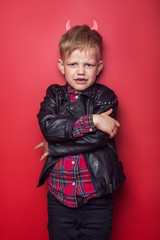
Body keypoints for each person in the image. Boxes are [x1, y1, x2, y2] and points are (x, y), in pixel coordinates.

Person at [35, 24, 126, 240]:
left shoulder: (106, 97)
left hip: (97, 197)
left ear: (99, 66)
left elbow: (98, 139)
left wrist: (56, 147)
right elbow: (49, 127)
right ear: (62, 66)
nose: (81, 71)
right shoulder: (54, 95)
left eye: (89, 64)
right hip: (60, 198)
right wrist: (93, 120)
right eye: (73, 64)